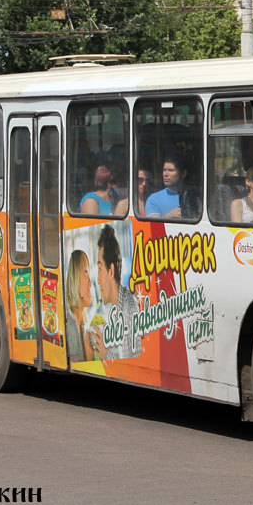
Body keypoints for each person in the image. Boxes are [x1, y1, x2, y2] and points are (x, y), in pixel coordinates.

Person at [86, 225, 140, 361]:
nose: (98, 280)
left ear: (111, 271)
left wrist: (105, 354)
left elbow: (132, 369)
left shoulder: (129, 308)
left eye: (100, 269)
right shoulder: (117, 309)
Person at [144, 155, 199, 220]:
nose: (166, 174)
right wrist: (168, 217)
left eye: (170, 170)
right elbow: (152, 227)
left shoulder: (195, 195)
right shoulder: (153, 199)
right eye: (164, 170)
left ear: (183, 173)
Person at [65, 248, 94, 363]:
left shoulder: (82, 326)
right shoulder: (68, 324)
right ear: (76, 278)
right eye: (86, 272)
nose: (90, 284)